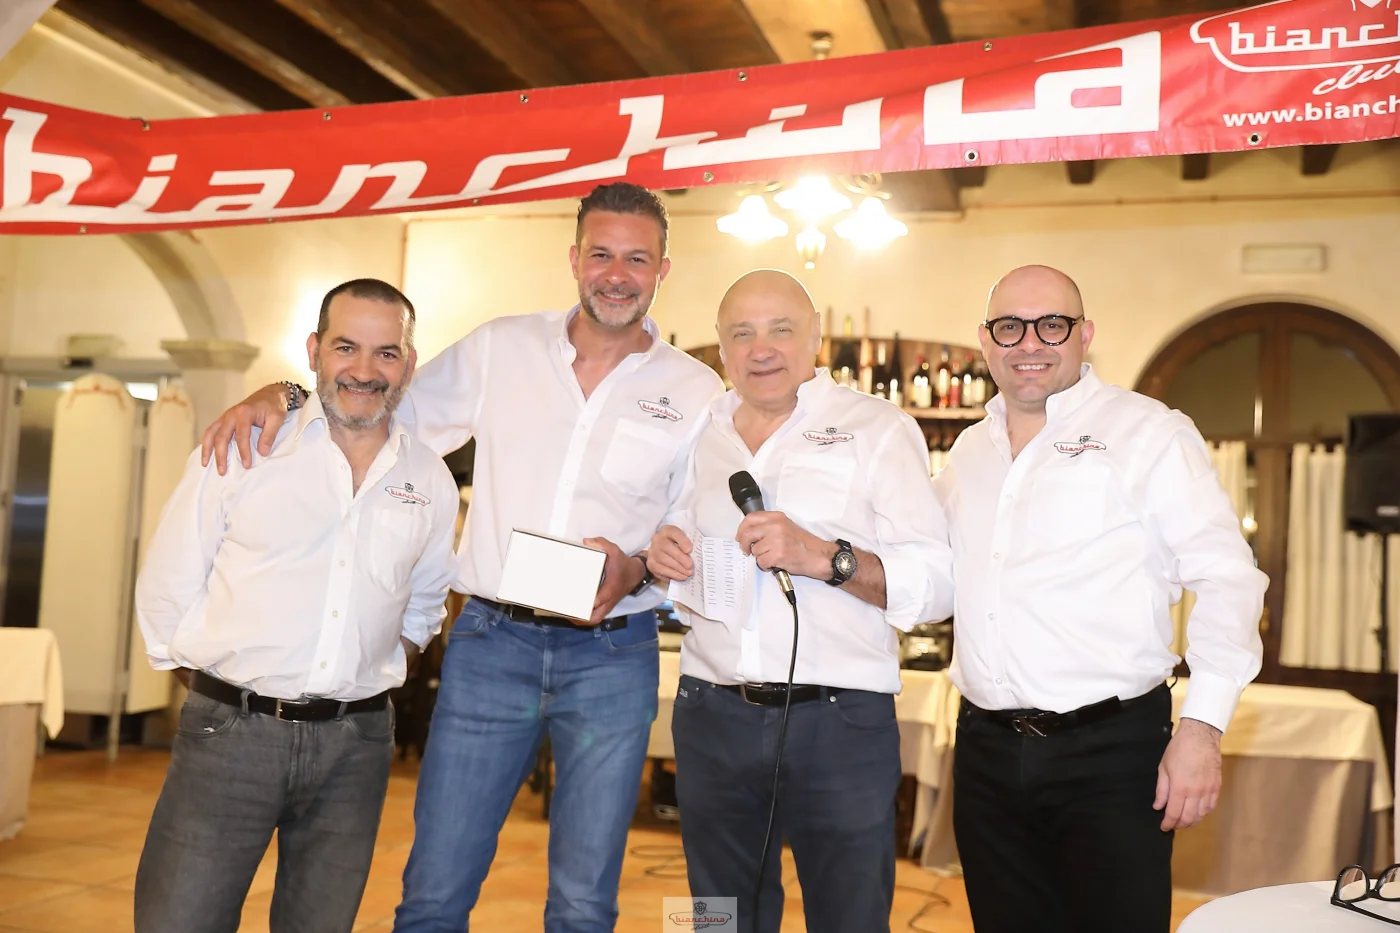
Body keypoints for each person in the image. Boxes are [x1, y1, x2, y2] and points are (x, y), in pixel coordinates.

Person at [199, 183, 725, 933]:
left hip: (614, 655)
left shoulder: (695, 389)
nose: (616, 274)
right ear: (574, 258)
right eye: (601, 254)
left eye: (636, 259)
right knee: (435, 891)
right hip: (492, 645)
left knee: (584, 902)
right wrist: (284, 392)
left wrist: (638, 567)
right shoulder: (501, 347)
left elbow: (687, 522)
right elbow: (381, 408)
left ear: (663, 269)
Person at [934, 264, 1268, 933]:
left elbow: (1228, 577)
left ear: (1085, 335)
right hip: (984, 752)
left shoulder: (1149, 432)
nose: (1030, 342)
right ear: (985, 340)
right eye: (1010, 326)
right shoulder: (968, 452)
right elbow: (938, 580)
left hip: (1109, 755)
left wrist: (1202, 729)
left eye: (1052, 325)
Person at [133, 279, 459, 933]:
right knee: (181, 920)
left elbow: (425, 603)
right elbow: (168, 584)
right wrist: (223, 694)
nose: (364, 370)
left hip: (355, 746)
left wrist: (364, 673)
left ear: (409, 364)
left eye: (386, 352)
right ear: (313, 351)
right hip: (231, 735)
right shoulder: (244, 448)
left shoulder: (429, 477)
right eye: (345, 347)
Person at [646, 270, 954, 933]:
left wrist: (824, 557)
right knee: (713, 917)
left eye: (781, 329)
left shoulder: (878, 428)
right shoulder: (698, 433)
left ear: (816, 336)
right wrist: (663, 553)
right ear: (721, 349)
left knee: (850, 919)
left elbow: (937, 583)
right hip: (710, 711)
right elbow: (673, 534)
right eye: (742, 333)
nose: (761, 349)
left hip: (840, 721)